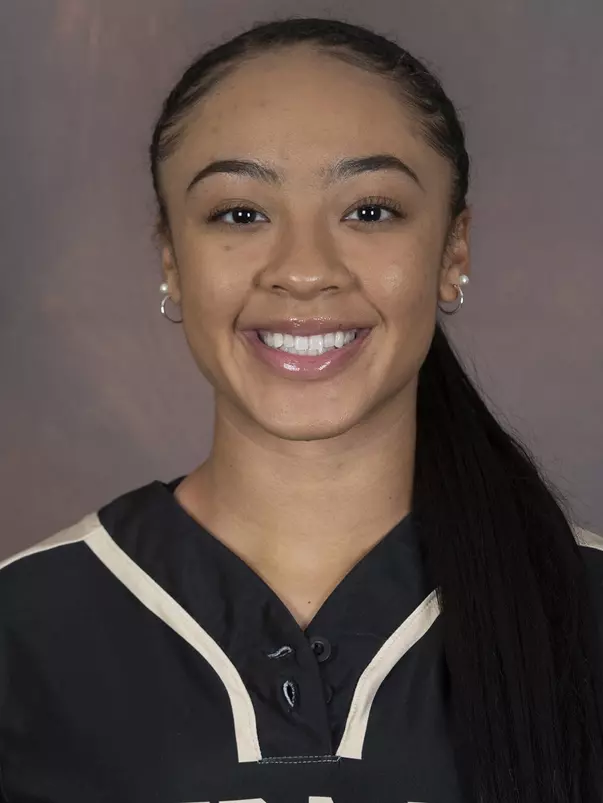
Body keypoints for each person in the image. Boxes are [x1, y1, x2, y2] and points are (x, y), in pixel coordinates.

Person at [0, 16, 602, 803]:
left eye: (370, 211)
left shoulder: (578, 602)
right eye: (241, 214)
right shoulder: (28, 627)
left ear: (452, 252)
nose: (304, 270)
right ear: (171, 261)